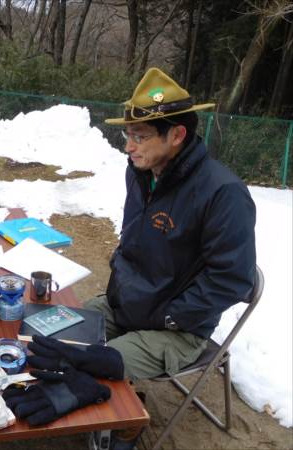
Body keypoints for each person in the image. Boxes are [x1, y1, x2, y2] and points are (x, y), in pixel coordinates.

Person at [81, 67, 256, 449]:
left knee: (94, 364)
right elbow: (133, 243)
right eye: (127, 135)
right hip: (127, 305)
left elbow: (233, 279)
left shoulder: (223, 193)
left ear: (176, 135)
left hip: (177, 327)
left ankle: (125, 424)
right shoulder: (141, 174)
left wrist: (169, 315)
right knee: (57, 329)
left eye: (140, 136)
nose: (129, 146)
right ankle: (118, 400)